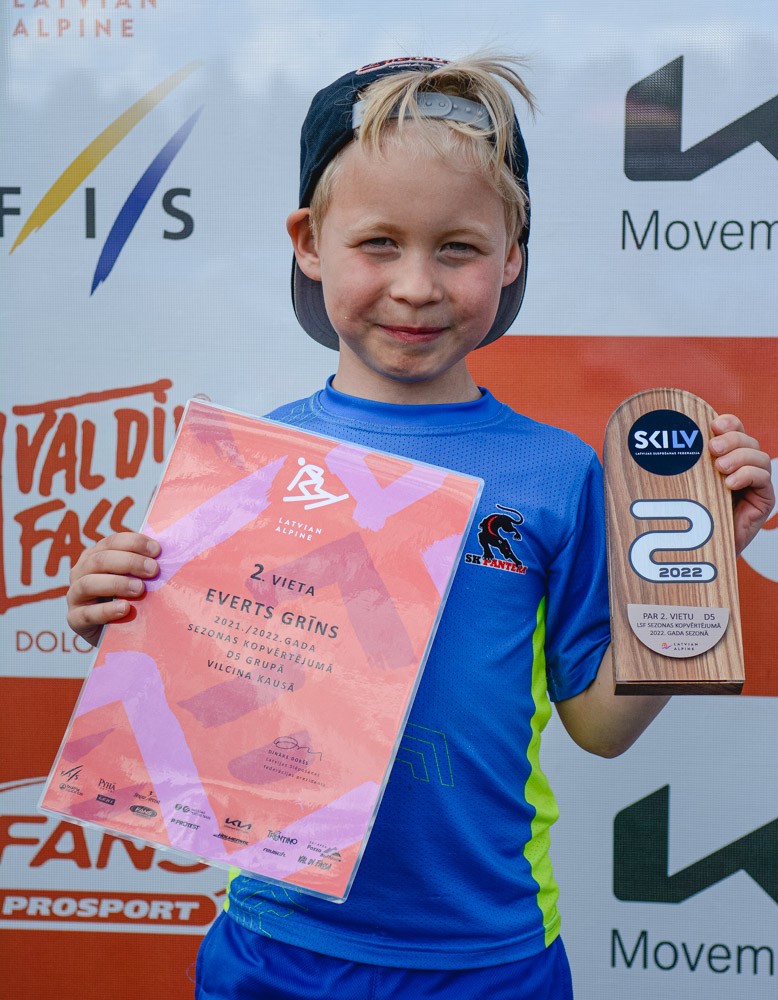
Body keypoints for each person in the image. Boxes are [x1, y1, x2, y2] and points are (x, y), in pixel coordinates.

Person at [65, 55, 775, 999]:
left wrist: (699, 572)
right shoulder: (248, 465)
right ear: (309, 243)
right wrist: (120, 616)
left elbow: (603, 728)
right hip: (275, 947)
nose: (414, 286)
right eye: (379, 243)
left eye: (457, 248)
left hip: (490, 958)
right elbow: (197, 702)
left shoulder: (558, 474)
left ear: (512, 255)